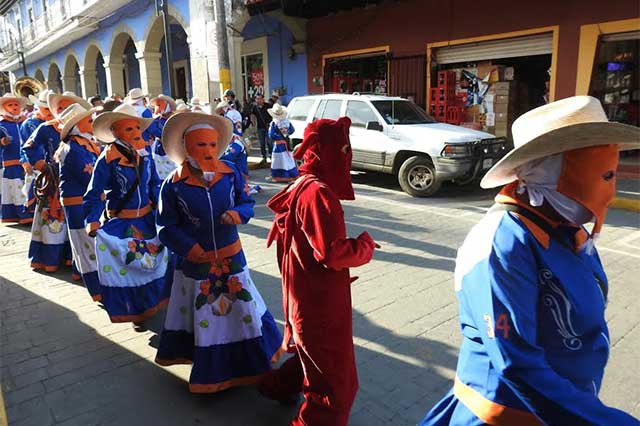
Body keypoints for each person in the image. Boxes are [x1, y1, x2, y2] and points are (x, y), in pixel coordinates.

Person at [418, 96, 640, 426]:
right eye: (602, 175)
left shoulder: (566, 227)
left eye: (612, 173)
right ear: (547, 172)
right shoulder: (502, 244)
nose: (609, 190)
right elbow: (517, 363)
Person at [260, 117, 377, 425]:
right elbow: (332, 253)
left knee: (312, 356)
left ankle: (274, 386)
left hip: (306, 296)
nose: (346, 156)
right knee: (336, 387)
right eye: (342, 149)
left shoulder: (304, 184)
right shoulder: (318, 193)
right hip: (318, 305)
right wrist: (364, 245)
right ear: (322, 150)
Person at [154, 112, 282, 392]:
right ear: (187, 148)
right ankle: (210, 372)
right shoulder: (172, 185)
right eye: (201, 145)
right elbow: (165, 227)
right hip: (196, 264)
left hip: (232, 258)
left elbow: (247, 202)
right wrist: (189, 247)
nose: (209, 151)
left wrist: (239, 213)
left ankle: (253, 360)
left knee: (244, 308)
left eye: (213, 145)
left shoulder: (230, 173)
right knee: (206, 316)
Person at [85, 104, 172, 326]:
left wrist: (163, 208)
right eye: (128, 130)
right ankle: (135, 312)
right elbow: (93, 194)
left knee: (155, 263)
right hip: (123, 222)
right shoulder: (107, 159)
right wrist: (92, 220)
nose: (135, 133)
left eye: (136, 128)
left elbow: (154, 183)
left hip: (147, 220)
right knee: (131, 268)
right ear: (115, 132)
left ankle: (157, 303)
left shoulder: (146, 153)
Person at [22, 91, 90, 274]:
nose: (63, 110)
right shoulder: (46, 127)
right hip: (53, 180)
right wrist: (41, 164)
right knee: (54, 221)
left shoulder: (84, 131)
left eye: (67, 106)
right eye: (59, 107)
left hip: (78, 183)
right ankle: (50, 259)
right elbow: (29, 146)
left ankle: (72, 258)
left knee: (76, 222)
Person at [54, 104, 102, 300]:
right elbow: (88, 175)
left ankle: (93, 281)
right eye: (89, 121)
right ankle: (98, 290)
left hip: (83, 201)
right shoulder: (73, 148)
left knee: (86, 244)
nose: (93, 123)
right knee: (86, 246)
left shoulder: (84, 144)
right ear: (77, 126)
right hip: (78, 203)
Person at [20, 89, 54, 218]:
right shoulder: (29, 124)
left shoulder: (53, 123)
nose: (50, 112)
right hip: (36, 163)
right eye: (46, 109)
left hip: (50, 164)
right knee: (38, 189)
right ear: (38, 107)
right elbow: (25, 146)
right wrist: (25, 162)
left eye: (51, 109)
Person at [0, 93, 29, 223]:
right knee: (16, 188)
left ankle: (30, 212)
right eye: (10, 105)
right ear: (4, 107)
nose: (14, 107)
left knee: (28, 186)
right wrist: (2, 142)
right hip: (11, 162)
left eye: (16, 104)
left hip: (27, 161)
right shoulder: (1, 124)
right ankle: (22, 215)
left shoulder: (26, 122)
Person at [147, 94, 177, 180]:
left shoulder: (174, 119)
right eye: (157, 105)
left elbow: (158, 132)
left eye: (160, 105)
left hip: (170, 149)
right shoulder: (157, 119)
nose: (157, 108)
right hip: (158, 149)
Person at [267, 104, 298, 182]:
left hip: (278, 145)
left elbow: (271, 134)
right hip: (286, 143)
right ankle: (292, 175)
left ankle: (279, 176)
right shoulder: (287, 122)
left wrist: (278, 137)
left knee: (278, 160)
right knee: (288, 159)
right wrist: (286, 134)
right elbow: (292, 130)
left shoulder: (274, 123)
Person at [251, 94, 273, 162]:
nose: (258, 100)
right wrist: (253, 126)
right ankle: (264, 156)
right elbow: (253, 116)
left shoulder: (268, 106)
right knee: (262, 143)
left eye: (260, 98)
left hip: (268, 127)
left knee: (269, 142)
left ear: (263, 99)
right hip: (260, 127)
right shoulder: (255, 107)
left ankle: (271, 155)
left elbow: (273, 115)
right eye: (257, 99)